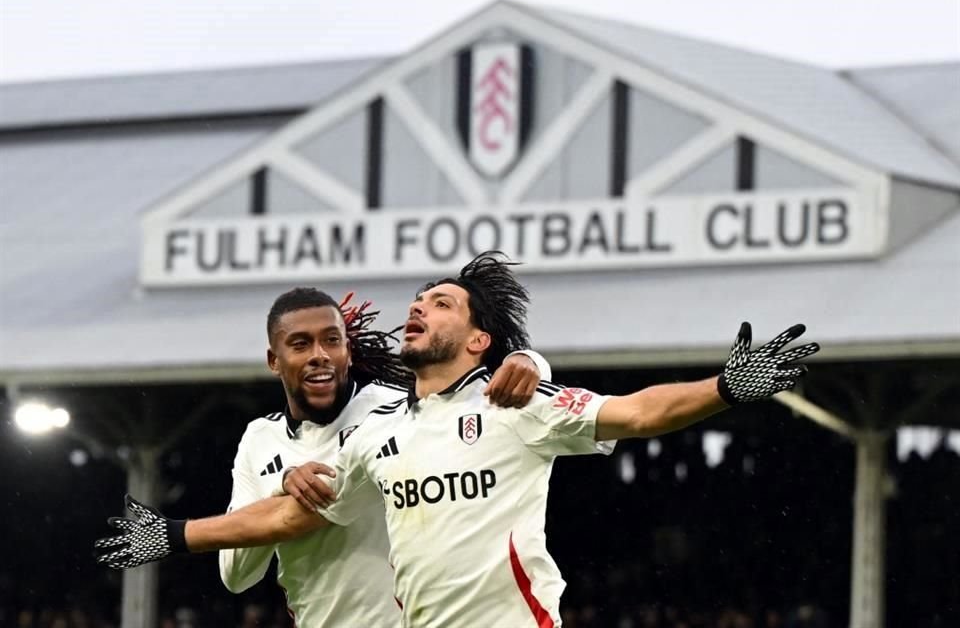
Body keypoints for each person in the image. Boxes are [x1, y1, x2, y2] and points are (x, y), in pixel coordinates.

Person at [97, 252, 820, 628]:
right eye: (417, 300)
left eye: (439, 302)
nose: (418, 307)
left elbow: (635, 412)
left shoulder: (517, 401)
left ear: (478, 338)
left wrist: (725, 387)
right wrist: (176, 532)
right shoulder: (380, 433)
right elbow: (292, 517)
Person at [96, 286, 551, 627]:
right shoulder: (260, 439)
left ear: (347, 350)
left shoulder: (393, 409)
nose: (320, 356)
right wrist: (279, 484)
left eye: (332, 341)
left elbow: (469, 389)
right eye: (300, 345)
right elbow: (237, 576)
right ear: (274, 360)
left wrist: (531, 359)